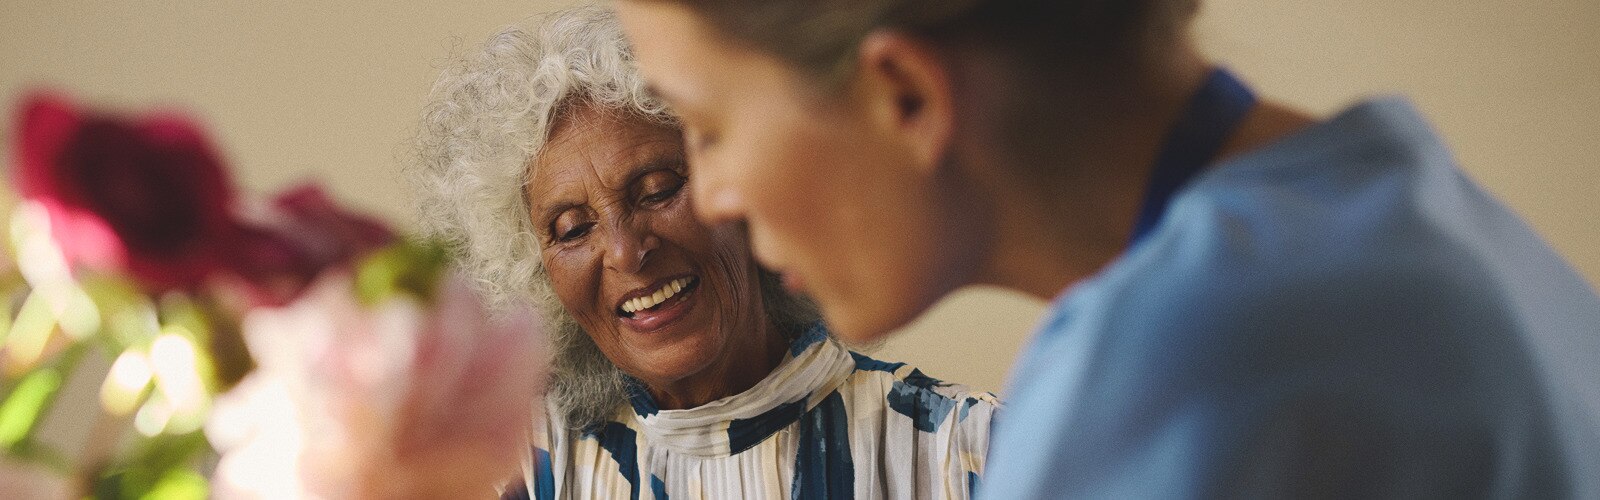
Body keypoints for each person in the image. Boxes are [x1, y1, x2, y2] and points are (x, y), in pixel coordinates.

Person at [614, 0, 1600, 497]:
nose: (714, 197)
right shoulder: (1418, 207)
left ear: (901, 95)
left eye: (704, 127)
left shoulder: (1173, 368)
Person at [408, 6, 998, 499]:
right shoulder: (512, 465)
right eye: (571, 230)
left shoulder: (969, 451)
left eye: (658, 191)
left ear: (735, 187)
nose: (625, 251)